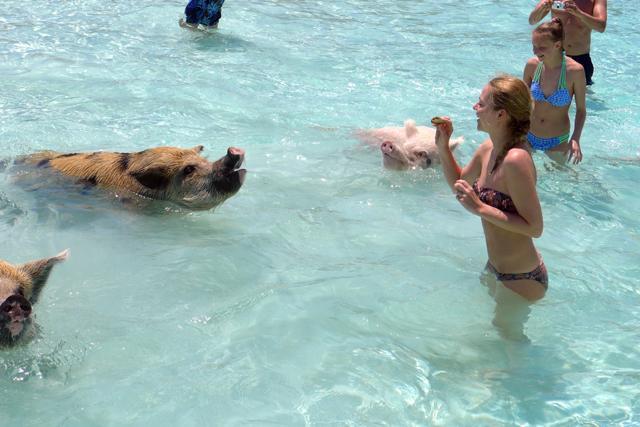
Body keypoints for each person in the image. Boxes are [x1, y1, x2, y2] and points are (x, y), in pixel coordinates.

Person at [433, 76, 547, 306]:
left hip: (522, 277)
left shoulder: (516, 160)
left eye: (481, 104)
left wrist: (480, 208)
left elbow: (535, 228)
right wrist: (443, 148)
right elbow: (459, 183)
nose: (475, 108)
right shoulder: (488, 149)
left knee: (509, 341)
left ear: (501, 114)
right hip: (495, 267)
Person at [524, 19, 587, 164]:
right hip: (528, 135)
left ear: (557, 45)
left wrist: (576, 138)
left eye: (541, 47)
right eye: (534, 46)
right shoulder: (532, 66)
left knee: (559, 184)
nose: (535, 51)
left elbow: (581, 110)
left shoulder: (575, 72)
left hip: (557, 141)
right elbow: (520, 101)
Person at [529, 0, 607, 86]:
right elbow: (532, 21)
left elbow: (601, 26)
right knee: (548, 94)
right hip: (554, 57)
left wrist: (579, 13)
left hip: (580, 59)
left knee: (583, 97)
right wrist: (542, 8)